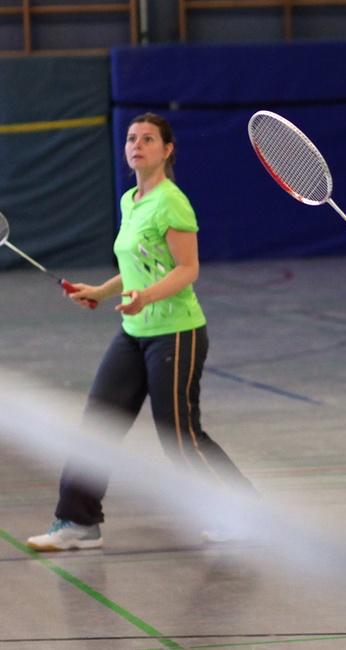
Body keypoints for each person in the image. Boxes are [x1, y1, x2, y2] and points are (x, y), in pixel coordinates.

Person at [26, 113, 255, 552]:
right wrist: (101, 289)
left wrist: (146, 297)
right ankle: (78, 521)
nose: (137, 145)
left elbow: (188, 269)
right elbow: (135, 267)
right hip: (134, 331)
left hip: (176, 332)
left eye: (148, 139)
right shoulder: (131, 199)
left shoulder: (172, 202)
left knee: (179, 435)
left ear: (167, 150)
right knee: (98, 423)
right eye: (132, 138)